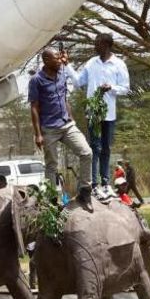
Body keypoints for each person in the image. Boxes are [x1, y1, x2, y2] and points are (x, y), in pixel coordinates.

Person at [64, 33, 130, 198]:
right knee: (95, 147)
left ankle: (106, 183)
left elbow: (125, 88)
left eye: (98, 44)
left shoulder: (118, 64)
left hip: (109, 113)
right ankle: (94, 184)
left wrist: (111, 87)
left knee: (106, 148)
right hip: (93, 113)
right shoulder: (91, 63)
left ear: (106, 45)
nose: (95, 46)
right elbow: (78, 82)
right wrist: (67, 65)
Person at [29, 47, 94, 209]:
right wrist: (38, 134)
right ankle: (52, 201)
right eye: (56, 58)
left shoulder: (62, 74)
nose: (60, 61)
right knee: (52, 165)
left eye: (60, 58)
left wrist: (71, 118)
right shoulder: (36, 80)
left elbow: (65, 98)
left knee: (86, 152)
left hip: (67, 125)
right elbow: (34, 107)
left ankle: (85, 192)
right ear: (46, 60)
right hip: (49, 129)